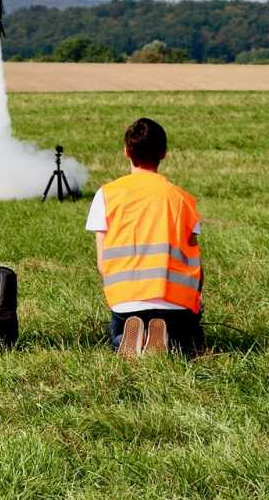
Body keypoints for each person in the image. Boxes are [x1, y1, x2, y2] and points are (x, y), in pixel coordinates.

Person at [86, 117, 203, 357]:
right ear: (164, 153)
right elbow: (196, 265)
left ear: (127, 151)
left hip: (126, 299)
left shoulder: (106, 195)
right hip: (174, 300)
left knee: (119, 333)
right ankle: (168, 340)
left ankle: (127, 339)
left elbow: (102, 264)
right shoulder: (183, 199)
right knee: (187, 343)